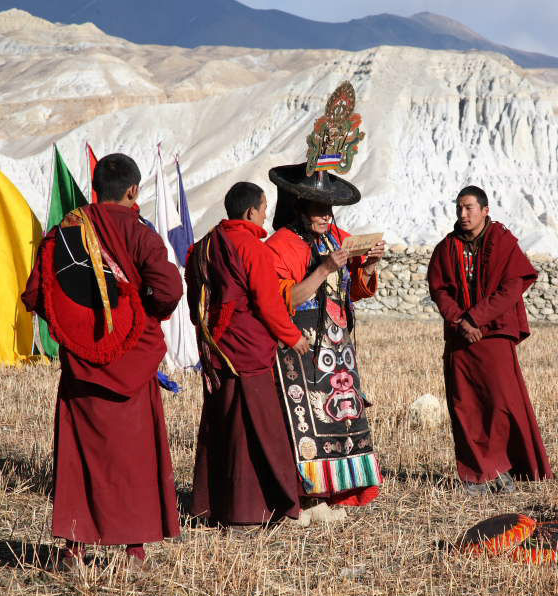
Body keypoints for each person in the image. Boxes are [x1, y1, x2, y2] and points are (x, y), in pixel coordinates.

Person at [22, 153, 182, 569]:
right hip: (133, 360)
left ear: (95, 188)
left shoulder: (66, 230)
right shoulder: (141, 234)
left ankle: (75, 549)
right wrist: (141, 311)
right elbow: (168, 289)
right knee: (136, 456)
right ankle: (134, 550)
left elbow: (38, 292)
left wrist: (77, 326)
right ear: (133, 191)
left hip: (82, 364)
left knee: (80, 455)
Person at [186, 182, 311, 528]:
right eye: (263, 207)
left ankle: (210, 506)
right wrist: (293, 336)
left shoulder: (203, 246)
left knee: (222, 424)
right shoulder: (250, 248)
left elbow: (195, 299)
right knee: (254, 430)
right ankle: (249, 512)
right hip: (248, 350)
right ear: (250, 212)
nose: (266, 213)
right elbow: (268, 303)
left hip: (216, 349)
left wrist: (209, 338)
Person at [265, 163, 386, 521]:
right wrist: (323, 270)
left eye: (329, 208)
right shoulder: (278, 248)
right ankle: (303, 498)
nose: (325, 216)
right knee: (305, 422)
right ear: (297, 207)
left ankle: (336, 492)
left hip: (338, 347)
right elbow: (281, 302)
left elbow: (354, 290)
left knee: (340, 419)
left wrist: (369, 266)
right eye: (318, 208)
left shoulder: (337, 237)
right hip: (299, 349)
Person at [427, 185, 553, 495]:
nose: (463, 214)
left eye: (469, 207)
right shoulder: (447, 247)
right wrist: (460, 321)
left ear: (485, 210)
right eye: (459, 208)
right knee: (465, 405)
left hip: (493, 333)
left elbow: (512, 287)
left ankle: (506, 467)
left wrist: (476, 318)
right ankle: (476, 474)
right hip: (461, 338)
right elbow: (439, 289)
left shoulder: (503, 242)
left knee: (501, 404)